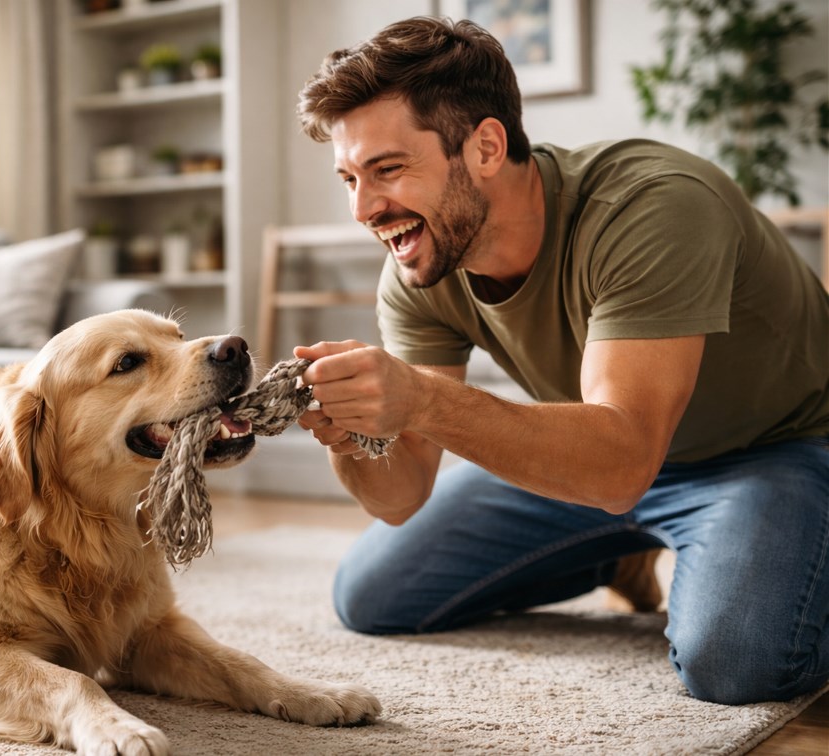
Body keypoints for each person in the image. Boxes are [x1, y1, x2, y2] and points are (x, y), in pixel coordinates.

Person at [292, 15, 829, 705]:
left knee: (738, 661)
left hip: (776, 448)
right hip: (601, 458)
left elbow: (623, 460)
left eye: (388, 170)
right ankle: (623, 547)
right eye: (348, 178)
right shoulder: (421, 263)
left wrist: (420, 399)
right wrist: (353, 431)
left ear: (486, 146)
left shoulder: (651, 205)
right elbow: (400, 497)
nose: (365, 208)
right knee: (371, 595)